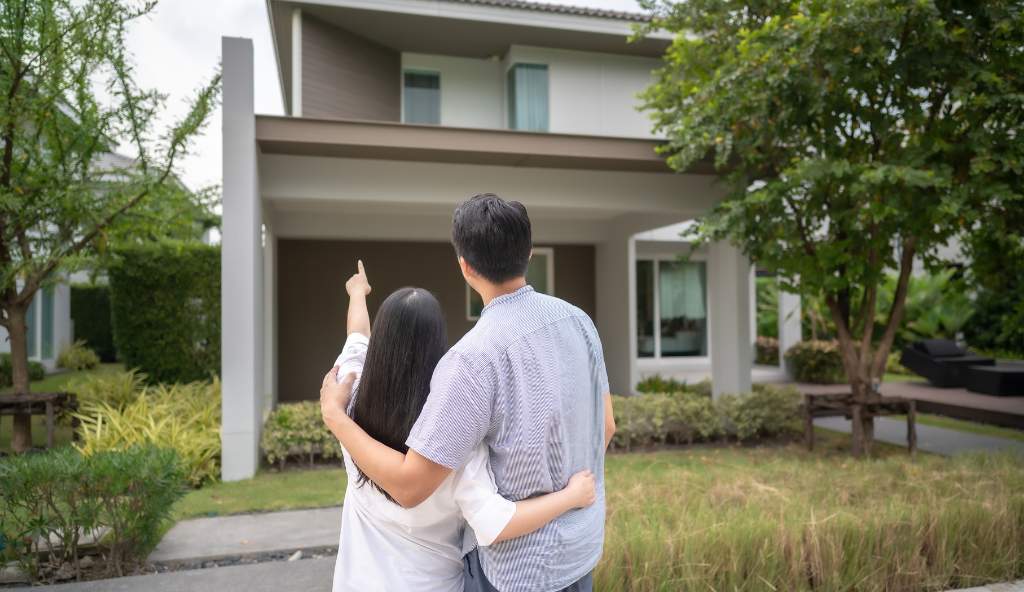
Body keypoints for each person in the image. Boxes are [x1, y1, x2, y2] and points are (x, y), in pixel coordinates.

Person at [321, 194, 615, 592]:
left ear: (464, 266)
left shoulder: (472, 359)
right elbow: (606, 426)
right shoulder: (579, 322)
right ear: (528, 252)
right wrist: (570, 493)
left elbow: (411, 485)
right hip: (580, 553)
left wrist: (337, 418)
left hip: (517, 571)